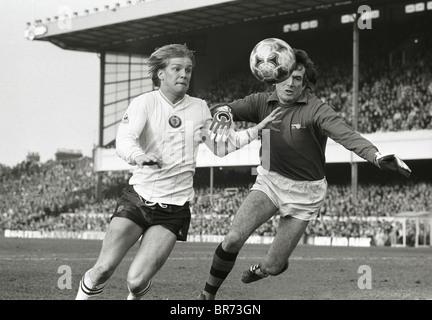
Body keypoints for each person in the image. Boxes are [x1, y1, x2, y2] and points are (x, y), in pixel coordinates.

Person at [198, 48, 411, 300]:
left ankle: (267, 267)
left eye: (297, 79)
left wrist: (375, 156)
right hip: (270, 181)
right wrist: (223, 113)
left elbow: (346, 134)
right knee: (232, 239)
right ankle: (206, 296)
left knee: (274, 266)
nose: (290, 84)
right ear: (275, 77)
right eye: (286, 77)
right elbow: (222, 108)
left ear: (304, 83)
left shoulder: (316, 109)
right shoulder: (260, 102)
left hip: (306, 193)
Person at [75, 43, 281, 300]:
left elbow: (220, 146)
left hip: (173, 210)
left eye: (188, 69)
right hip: (137, 199)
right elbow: (125, 139)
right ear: (161, 74)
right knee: (103, 269)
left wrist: (255, 129)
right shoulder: (144, 103)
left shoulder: (200, 107)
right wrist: (139, 155)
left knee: (137, 282)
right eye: (177, 69)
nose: (184, 74)